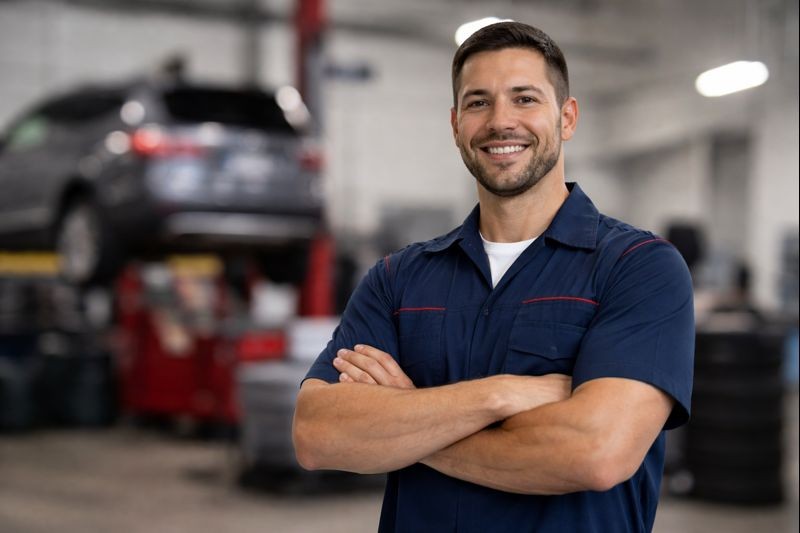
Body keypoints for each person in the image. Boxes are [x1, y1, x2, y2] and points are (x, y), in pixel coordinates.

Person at [293, 21, 694, 533]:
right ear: (456, 123)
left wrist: (408, 421)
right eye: (479, 103)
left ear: (566, 117)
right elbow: (318, 435)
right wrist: (501, 394)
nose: (501, 121)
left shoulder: (638, 267)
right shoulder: (397, 280)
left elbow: (597, 452)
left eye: (524, 98)